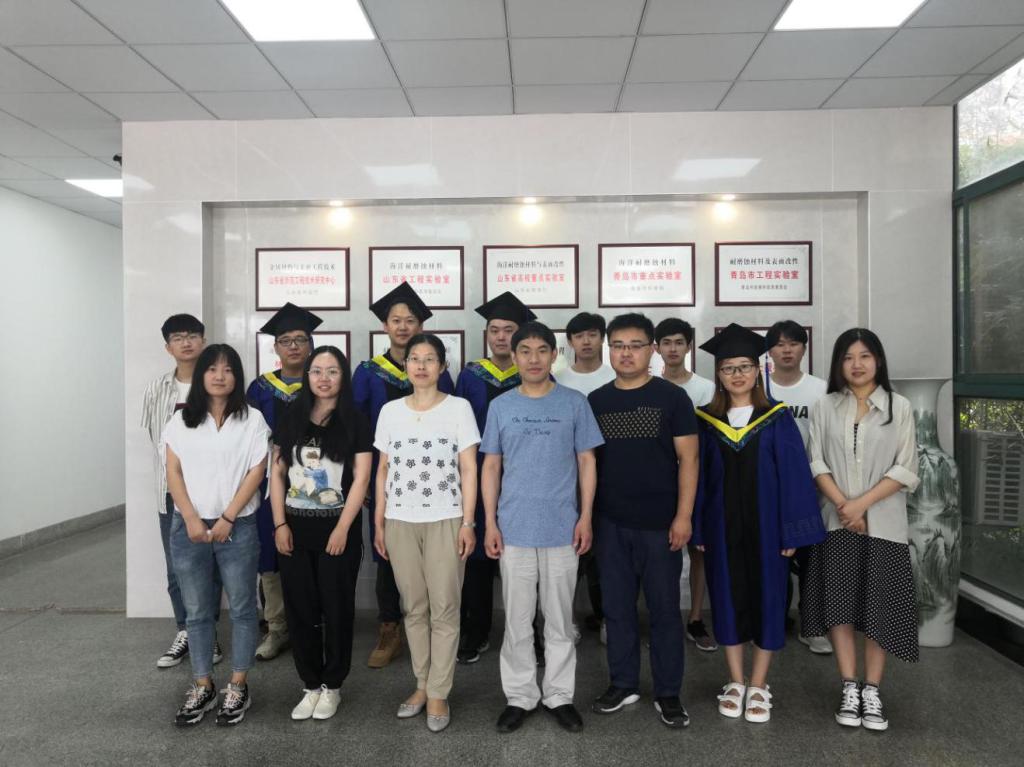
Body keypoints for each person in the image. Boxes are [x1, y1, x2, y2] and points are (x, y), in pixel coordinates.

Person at [692, 324, 826, 724]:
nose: (737, 374)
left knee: (769, 599)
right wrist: (699, 527)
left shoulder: (777, 418)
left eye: (745, 366)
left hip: (768, 528)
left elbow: (794, 477)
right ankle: (736, 681)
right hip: (721, 527)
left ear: (758, 370)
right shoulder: (706, 420)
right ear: (719, 374)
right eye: (728, 368)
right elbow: (697, 479)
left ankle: (760, 684)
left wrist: (792, 531)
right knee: (726, 598)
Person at [482, 321, 604, 734]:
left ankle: (559, 695)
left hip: (562, 528)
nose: (533, 359)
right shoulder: (500, 406)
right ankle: (520, 696)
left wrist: (585, 517)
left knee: (559, 620)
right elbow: (491, 466)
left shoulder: (574, 403)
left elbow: (587, 461)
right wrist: (489, 522)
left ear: (555, 355)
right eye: (525, 351)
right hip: (514, 528)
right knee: (517, 621)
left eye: (541, 350)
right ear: (514, 356)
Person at [801, 329, 920, 732]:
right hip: (837, 524)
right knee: (839, 607)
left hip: (884, 526)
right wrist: (844, 507)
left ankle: (872, 689)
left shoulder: (899, 406)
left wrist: (860, 505)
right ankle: (849, 685)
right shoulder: (825, 406)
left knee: (878, 607)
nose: (856, 364)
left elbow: (905, 467)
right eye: (848, 357)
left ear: (878, 360)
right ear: (838, 364)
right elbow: (816, 462)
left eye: (865, 356)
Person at [587, 313, 697, 729]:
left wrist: (683, 516)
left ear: (652, 350)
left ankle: (668, 692)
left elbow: (689, 460)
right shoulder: (596, 401)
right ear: (608, 350)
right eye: (618, 345)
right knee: (616, 609)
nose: (626, 353)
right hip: (610, 523)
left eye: (635, 345)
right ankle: (623, 683)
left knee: (665, 611)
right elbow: (587, 465)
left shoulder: (672, 398)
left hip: (660, 524)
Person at [373, 334, 480, 733]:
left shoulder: (459, 408)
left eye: (429, 359)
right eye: (414, 359)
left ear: (442, 366)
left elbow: (468, 468)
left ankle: (439, 691)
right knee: (414, 608)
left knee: (445, 608)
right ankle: (421, 684)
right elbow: (383, 470)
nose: (420, 365)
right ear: (406, 367)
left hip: (446, 518)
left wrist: (468, 522)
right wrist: (379, 520)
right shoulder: (390, 411)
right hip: (400, 520)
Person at [163, 344, 270, 727]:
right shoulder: (181, 420)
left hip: (237, 526)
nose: (220, 376)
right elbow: (173, 471)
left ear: (237, 376)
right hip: (188, 527)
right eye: (212, 369)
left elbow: (257, 471)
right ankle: (203, 684)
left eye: (228, 369)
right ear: (201, 375)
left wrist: (227, 517)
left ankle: (238, 684)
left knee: (242, 608)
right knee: (197, 611)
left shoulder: (252, 419)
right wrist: (192, 518)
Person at [354, 282, 456, 669]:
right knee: (386, 558)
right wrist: (366, 481)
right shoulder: (367, 373)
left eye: (410, 320)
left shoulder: (437, 373)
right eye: (395, 320)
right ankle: (389, 627)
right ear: (385, 326)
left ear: (420, 326)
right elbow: (358, 430)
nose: (402, 326)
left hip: (433, 486)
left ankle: (434, 630)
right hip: (386, 481)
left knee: (436, 562)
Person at [270, 346, 372, 721]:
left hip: (337, 532)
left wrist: (343, 528)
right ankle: (310, 684)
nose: (324, 378)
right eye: (316, 371)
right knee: (300, 609)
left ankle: (333, 686)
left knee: (337, 608)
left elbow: (361, 479)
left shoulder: (355, 420)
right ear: (307, 376)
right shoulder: (291, 417)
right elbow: (277, 473)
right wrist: (280, 524)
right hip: (294, 531)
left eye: (332, 371)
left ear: (343, 377)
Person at [455, 291, 535, 664]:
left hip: (523, 477)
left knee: (526, 560)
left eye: (509, 330)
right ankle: (476, 630)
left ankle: (530, 635)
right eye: (494, 330)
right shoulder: (470, 375)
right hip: (478, 474)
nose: (501, 337)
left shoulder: (535, 373)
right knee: (477, 561)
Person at [142, 314, 223, 669]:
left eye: (192, 335)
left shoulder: (216, 384)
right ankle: (185, 631)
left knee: (210, 567)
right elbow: (157, 441)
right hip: (170, 493)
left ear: (203, 341)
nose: (186, 342)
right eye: (178, 338)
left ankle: (209, 634)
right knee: (177, 567)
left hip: (211, 492)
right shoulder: (157, 389)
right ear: (168, 347)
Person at [247, 302, 323, 662]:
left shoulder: (323, 381)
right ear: (275, 347)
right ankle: (277, 627)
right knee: (271, 552)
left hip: (317, 483)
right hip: (269, 483)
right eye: (286, 340)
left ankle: (314, 623)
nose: (293, 346)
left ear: (310, 344)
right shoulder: (260, 387)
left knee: (313, 550)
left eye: (300, 339)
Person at [765, 319, 832, 655]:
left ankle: (812, 625)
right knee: (773, 559)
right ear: (770, 351)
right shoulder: (760, 388)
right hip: (768, 490)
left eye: (793, 343)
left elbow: (828, 439)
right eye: (779, 344)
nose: (787, 350)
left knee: (811, 560)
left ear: (804, 349)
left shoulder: (820, 389)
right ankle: (775, 620)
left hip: (809, 488)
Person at [655, 317, 717, 654]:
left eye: (679, 342)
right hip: (659, 480)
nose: (673, 349)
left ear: (689, 346)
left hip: (697, 476)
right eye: (666, 343)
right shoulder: (649, 386)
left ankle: (695, 618)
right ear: (656, 348)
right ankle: (658, 620)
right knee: (656, 552)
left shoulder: (706, 389)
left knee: (698, 550)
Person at [554, 311, 616, 643]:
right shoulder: (558, 379)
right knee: (567, 554)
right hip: (566, 478)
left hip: (610, 475)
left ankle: (606, 617)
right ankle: (566, 620)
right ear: (570, 342)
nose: (586, 341)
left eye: (593, 334)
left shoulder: (615, 375)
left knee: (603, 556)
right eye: (579, 336)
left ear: (602, 339)